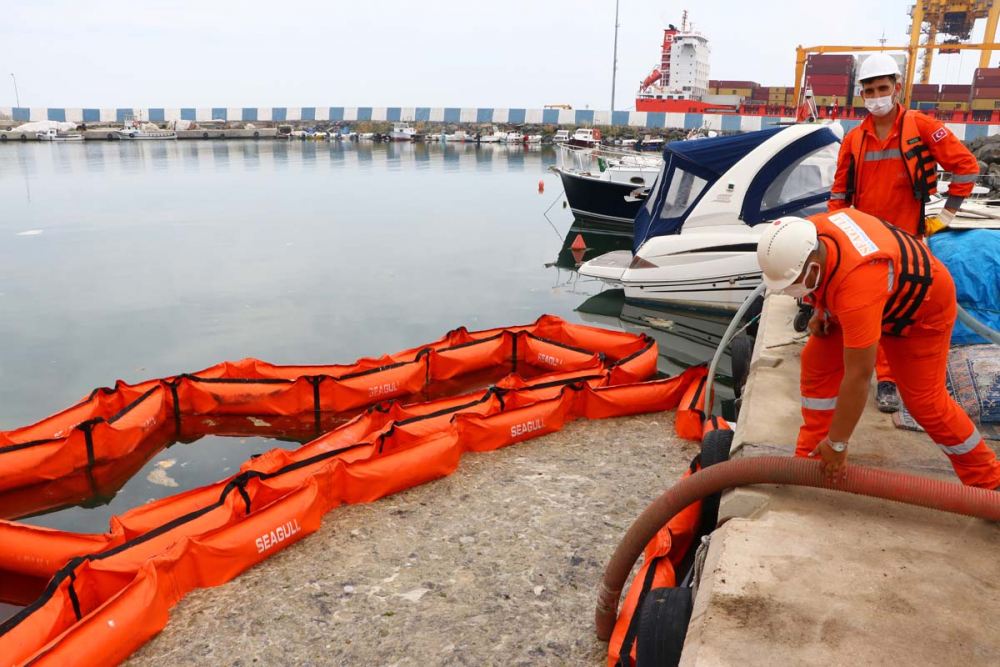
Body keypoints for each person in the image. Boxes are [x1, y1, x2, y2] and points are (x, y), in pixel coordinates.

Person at [756, 210, 1000, 490]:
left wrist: (839, 443)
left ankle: (989, 478)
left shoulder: (858, 286)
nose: (791, 292)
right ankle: (813, 454)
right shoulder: (808, 233)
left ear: (812, 266)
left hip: (920, 312)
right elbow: (828, 278)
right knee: (817, 360)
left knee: (925, 402)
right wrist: (821, 310)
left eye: (793, 284)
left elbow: (859, 376)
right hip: (876, 296)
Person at [828, 53, 981, 413]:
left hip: (907, 240)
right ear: (862, 94)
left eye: (883, 88)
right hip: (865, 241)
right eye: (870, 90)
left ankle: (889, 380)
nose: (877, 95)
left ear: (897, 88)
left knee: (901, 312)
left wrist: (944, 217)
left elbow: (966, 168)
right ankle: (867, 375)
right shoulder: (855, 139)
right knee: (868, 311)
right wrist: (834, 236)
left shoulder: (923, 127)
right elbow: (838, 195)